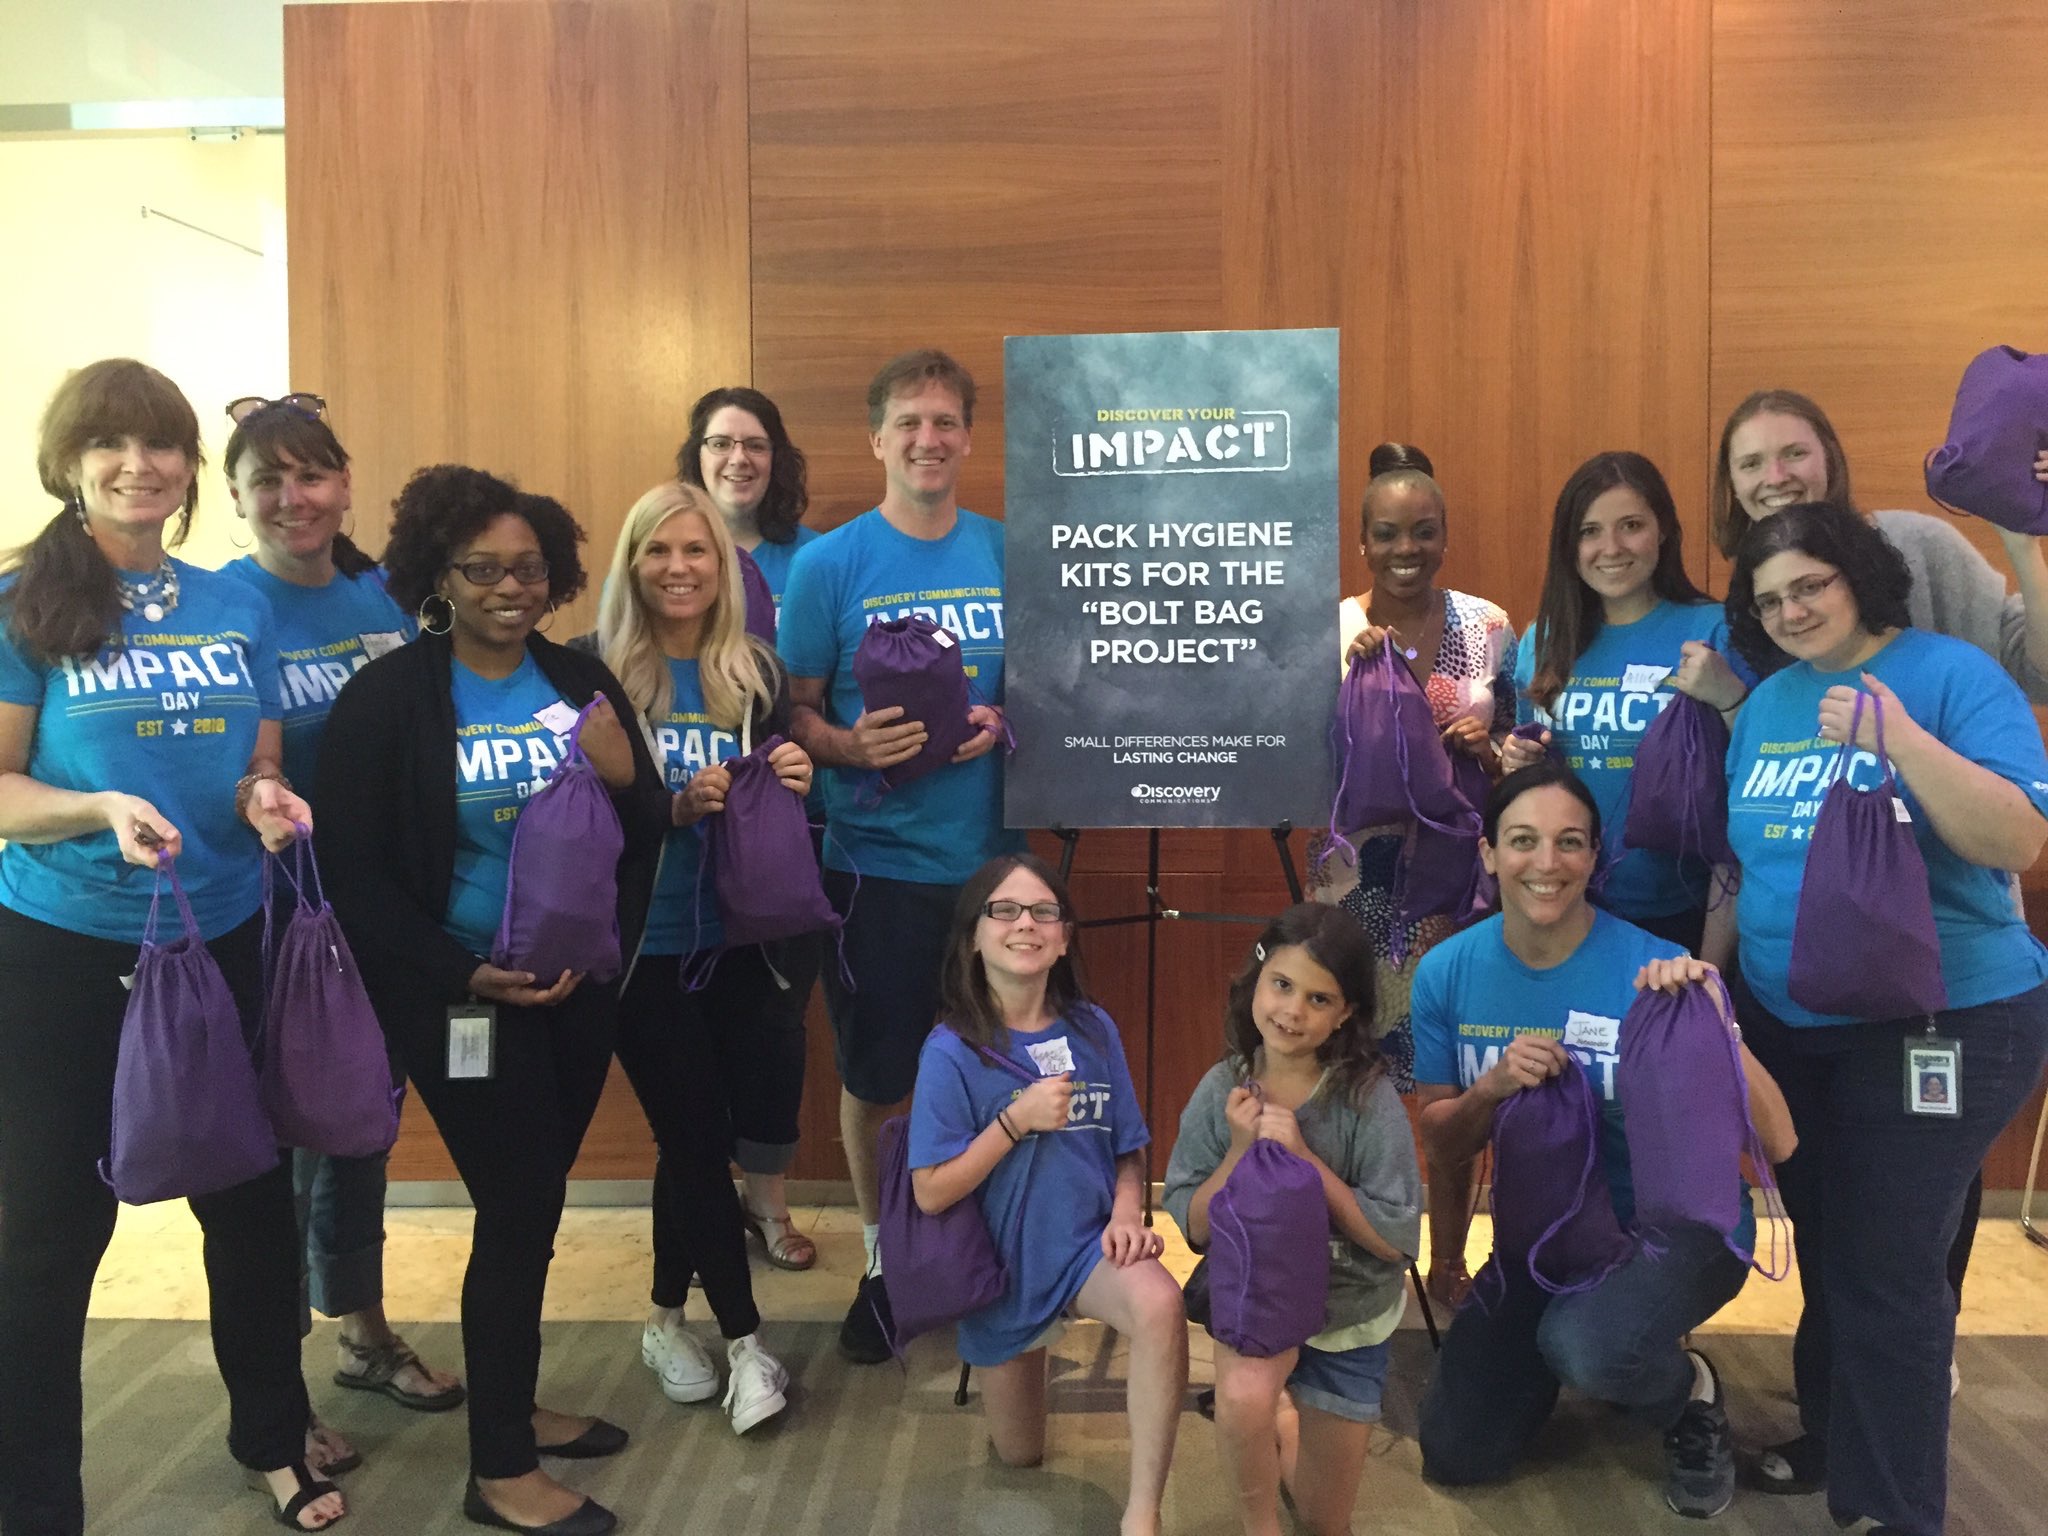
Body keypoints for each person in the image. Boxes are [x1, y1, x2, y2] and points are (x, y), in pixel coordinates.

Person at [0, 359, 342, 1533]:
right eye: (110, 446)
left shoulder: (231, 601)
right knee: (46, 1234)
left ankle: (274, 1438)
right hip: (61, 948)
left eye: (160, 445)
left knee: (247, 1205)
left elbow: (257, 761)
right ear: (70, 465)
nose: (138, 465)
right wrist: (95, 810)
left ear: (190, 468)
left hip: (222, 934)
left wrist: (262, 801)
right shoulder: (20, 604)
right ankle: (35, 1497)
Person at [315, 465, 667, 1536]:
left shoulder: (576, 680)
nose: (509, 587)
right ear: (439, 576)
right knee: (517, 1209)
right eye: (482, 569)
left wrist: (625, 779)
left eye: (527, 568)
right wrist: (459, 970)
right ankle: (498, 1469)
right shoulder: (388, 699)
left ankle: (511, 1404)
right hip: (461, 999)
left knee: (538, 1202)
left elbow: (647, 828)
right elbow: (353, 874)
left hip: (573, 987)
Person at [1719, 502, 2048, 1535]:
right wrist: (1706, 983)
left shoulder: (1948, 677)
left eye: (1808, 585)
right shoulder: (1767, 702)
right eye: (1769, 599)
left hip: (1940, 1021)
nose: (1790, 610)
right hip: (1790, 1024)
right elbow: (1743, 867)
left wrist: (1897, 737)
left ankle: (1896, 1510)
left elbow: (2015, 840)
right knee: (1833, 1251)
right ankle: (1841, 1461)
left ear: (1856, 574)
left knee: (1889, 1269)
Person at [1410, 763, 1796, 1520]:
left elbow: (1778, 1137)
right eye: (1523, 841)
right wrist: (1489, 1092)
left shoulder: (1648, 964)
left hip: (1672, 1233)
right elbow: (1443, 1144)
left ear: (1594, 857)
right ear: (1488, 854)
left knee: (1586, 1347)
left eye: (1570, 843)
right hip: (1545, 1238)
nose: (1546, 864)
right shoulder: (1447, 972)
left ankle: (1690, 1396)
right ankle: (1578, 1354)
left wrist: (1711, 1015)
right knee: (1458, 1452)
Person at [218, 396, 464, 1472]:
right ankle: (275, 1390)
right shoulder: (225, 604)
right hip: (268, 916)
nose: (292, 498)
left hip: (372, 913)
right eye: (266, 480)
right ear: (233, 497)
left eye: (310, 475)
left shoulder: (378, 597)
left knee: (359, 1123)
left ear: (345, 485)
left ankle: (360, 1332)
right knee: (272, 1155)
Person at [776, 348, 1012, 1363]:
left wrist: (1003, 717)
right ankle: (884, 1259)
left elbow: (1063, 691)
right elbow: (791, 709)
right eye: (907, 422)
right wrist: (844, 744)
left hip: (996, 869)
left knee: (1003, 1070)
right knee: (878, 1076)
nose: (927, 439)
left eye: (944, 422)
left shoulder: (1009, 552)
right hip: (872, 864)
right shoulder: (830, 564)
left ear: (967, 436)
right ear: (875, 439)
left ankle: (992, 1246)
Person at [594, 481, 809, 1432]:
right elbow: (566, 816)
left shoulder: (753, 672)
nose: (679, 569)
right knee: (692, 1136)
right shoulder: (587, 675)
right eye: (659, 551)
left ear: (723, 569)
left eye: (699, 553)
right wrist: (668, 809)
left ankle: (663, 1318)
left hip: (738, 939)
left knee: (701, 1135)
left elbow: (783, 785)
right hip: (640, 948)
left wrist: (793, 774)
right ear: (632, 564)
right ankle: (746, 1342)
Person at [907, 854, 1185, 1536]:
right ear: (974, 937)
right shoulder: (950, 1051)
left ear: (1064, 937)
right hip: (999, 1270)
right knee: (1020, 1454)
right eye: (1003, 911)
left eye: (1042, 912)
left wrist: (1127, 1212)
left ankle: (1142, 1512)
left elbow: (1128, 1146)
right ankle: (1030, 1345)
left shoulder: (1094, 1029)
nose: (1024, 924)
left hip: (1087, 1248)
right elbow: (931, 1194)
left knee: (1160, 1305)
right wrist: (1013, 1121)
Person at [1163, 904, 1422, 1536]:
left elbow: (1394, 1242)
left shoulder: (1367, 1099)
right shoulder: (1221, 1087)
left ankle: (1289, 1412)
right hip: (1259, 1301)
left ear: (1346, 1014)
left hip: (1349, 1312)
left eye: (1318, 998)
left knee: (1325, 1521)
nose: (1291, 1011)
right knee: (1244, 1399)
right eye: (1281, 985)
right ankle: (1259, 1522)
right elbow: (1195, 1227)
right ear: (1256, 980)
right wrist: (1236, 1152)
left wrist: (1306, 1164)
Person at [675, 385, 822, 1268]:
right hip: (679, 846)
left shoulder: (815, 560)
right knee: (685, 1042)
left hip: (785, 839)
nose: (739, 459)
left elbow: (816, 693)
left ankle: (766, 1203)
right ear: (696, 454)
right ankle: (696, 1202)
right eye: (721, 442)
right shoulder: (664, 551)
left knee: (773, 1029)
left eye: (756, 443)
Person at [1504, 451, 1748, 960]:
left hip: (1685, 909)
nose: (1610, 548)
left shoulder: (1714, 631)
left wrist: (1730, 698)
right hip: (1567, 902)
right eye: (1589, 531)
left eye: (1631, 525)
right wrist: (1515, 762)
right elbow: (1535, 774)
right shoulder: (1543, 639)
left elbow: (1757, 765)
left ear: (1663, 530)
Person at [1325, 453, 1516, 1098]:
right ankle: (1369, 1200)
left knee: (1457, 1068)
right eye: (1386, 532)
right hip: (1357, 886)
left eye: (1424, 530)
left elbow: (1524, 753)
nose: (1406, 548)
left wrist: (1488, 749)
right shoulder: (1332, 634)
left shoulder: (1488, 625)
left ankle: (1456, 1200)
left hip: (1462, 884)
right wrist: (1351, 685)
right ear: (1362, 541)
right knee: (1352, 1063)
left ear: (1444, 536)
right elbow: (1294, 754)